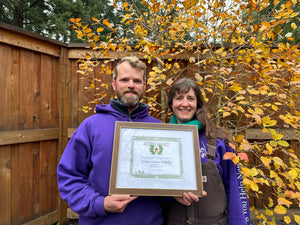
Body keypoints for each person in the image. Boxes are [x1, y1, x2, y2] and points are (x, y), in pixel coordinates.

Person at [57, 57, 164, 225]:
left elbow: (167, 179)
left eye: (137, 81)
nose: (131, 85)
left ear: (144, 86)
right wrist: (100, 203)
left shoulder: (159, 129)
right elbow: (70, 177)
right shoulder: (91, 126)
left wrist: (181, 192)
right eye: (124, 80)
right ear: (114, 84)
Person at [164, 78, 250, 225]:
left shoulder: (219, 141)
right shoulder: (162, 139)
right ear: (171, 104)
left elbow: (235, 190)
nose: (185, 103)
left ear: (198, 104)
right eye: (179, 98)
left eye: (190, 98)